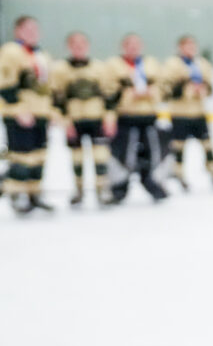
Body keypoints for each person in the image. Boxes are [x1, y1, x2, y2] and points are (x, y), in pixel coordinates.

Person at [50, 31, 117, 206]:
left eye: (82, 44)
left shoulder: (99, 68)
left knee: (101, 157)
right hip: (74, 121)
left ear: (87, 46)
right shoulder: (60, 70)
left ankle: (102, 190)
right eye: (75, 44)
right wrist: (65, 122)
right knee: (77, 159)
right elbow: (57, 99)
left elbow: (109, 96)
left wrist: (109, 119)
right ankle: (78, 191)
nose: (79, 48)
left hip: (96, 119)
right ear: (69, 46)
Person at [0, 15, 56, 213]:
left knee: (39, 155)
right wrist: (18, 110)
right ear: (18, 31)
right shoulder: (11, 52)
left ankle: (34, 194)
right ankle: (17, 195)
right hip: (20, 114)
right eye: (27, 29)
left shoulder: (41, 55)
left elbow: (48, 88)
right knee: (21, 156)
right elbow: (5, 86)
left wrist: (50, 113)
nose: (32, 33)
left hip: (40, 113)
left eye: (35, 29)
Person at [107, 33, 169, 203]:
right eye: (129, 44)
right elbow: (109, 94)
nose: (133, 48)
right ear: (123, 47)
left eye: (136, 44)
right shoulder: (114, 66)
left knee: (151, 153)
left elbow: (163, 88)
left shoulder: (151, 65)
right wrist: (129, 95)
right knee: (123, 155)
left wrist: (152, 93)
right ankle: (119, 188)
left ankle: (151, 183)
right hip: (126, 117)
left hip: (148, 117)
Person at [162, 35, 213, 191]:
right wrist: (185, 86)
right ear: (180, 48)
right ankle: (179, 174)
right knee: (179, 147)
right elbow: (167, 89)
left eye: (192, 46)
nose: (190, 49)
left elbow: (211, 88)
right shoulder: (172, 64)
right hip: (180, 113)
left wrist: (203, 88)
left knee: (207, 145)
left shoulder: (201, 64)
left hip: (199, 112)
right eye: (186, 46)